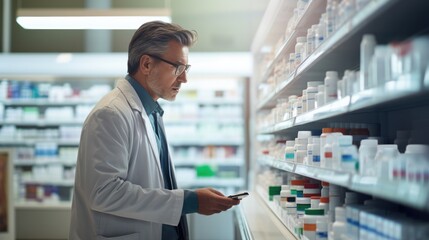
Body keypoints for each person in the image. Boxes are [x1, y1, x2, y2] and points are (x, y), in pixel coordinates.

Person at [69, 21, 240, 240]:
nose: (184, 79)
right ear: (147, 64)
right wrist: (189, 201)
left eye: (186, 69)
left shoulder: (150, 111)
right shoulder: (110, 114)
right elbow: (104, 193)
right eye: (177, 67)